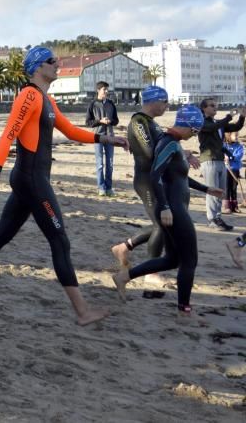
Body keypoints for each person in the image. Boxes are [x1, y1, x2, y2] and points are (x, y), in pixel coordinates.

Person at [0, 46, 127, 326]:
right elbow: (7, 135)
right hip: (31, 180)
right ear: (38, 67)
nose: (57, 65)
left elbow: (71, 131)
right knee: (59, 240)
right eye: (52, 62)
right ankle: (83, 312)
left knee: (2, 234)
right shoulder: (28, 96)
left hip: (32, 180)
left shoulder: (45, 100)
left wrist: (107, 139)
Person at [111, 105, 223, 319]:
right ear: (189, 126)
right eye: (194, 131)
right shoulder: (169, 143)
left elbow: (179, 178)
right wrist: (164, 207)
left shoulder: (174, 145)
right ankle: (184, 310)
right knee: (189, 261)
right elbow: (155, 176)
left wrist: (207, 189)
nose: (193, 135)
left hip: (174, 208)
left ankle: (124, 277)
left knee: (173, 259)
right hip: (173, 210)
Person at [110, 85, 170, 270]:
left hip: (155, 179)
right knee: (161, 225)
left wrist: (180, 152)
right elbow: (150, 151)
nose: (167, 106)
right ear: (153, 101)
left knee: (164, 225)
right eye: (164, 101)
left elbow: (161, 147)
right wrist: (173, 151)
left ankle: (124, 247)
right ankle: (151, 272)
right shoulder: (138, 121)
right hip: (145, 181)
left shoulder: (152, 122)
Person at [197, 99, 243, 231]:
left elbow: (235, 127)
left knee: (220, 191)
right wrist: (228, 116)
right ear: (204, 108)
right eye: (212, 106)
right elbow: (212, 128)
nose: (215, 108)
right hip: (209, 159)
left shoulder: (217, 123)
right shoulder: (202, 122)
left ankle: (217, 217)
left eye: (215, 105)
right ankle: (213, 219)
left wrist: (242, 117)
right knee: (212, 191)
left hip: (219, 160)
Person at [86, 81, 119, 196]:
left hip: (110, 137)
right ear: (98, 90)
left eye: (107, 89)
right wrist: (100, 121)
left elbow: (116, 120)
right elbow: (88, 123)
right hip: (98, 137)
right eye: (104, 89)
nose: (106, 91)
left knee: (110, 164)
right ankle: (101, 188)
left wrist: (111, 122)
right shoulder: (92, 104)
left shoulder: (111, 104)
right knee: (100, 164)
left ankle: (109, 188)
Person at [223, 131, 242, 214]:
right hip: (226, 169)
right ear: (229, 135)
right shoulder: (224, 145)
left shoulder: (239, 146)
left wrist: (231, 157)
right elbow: (221, 153)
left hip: (235, 169)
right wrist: (224, 157)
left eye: (238, 135)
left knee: (234, 188)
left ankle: (234, 205)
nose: (237, 137)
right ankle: (227, 206)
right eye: (235, 135)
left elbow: (239, 155)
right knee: (226, 187)